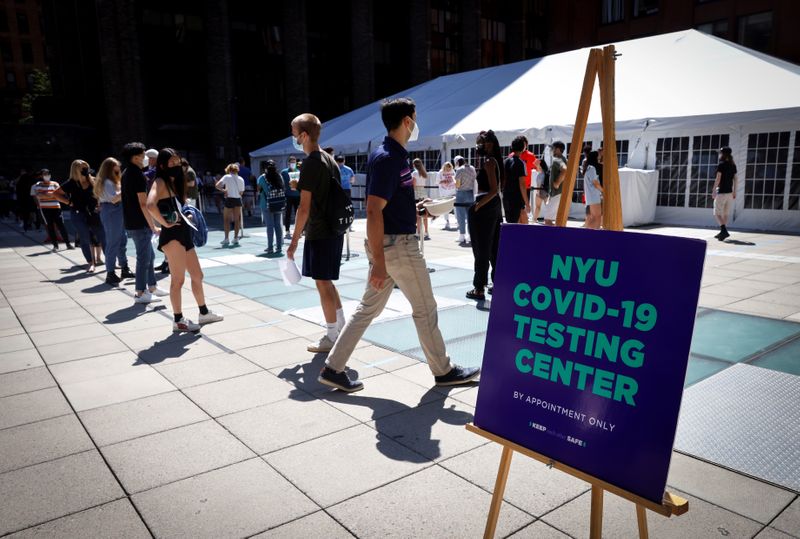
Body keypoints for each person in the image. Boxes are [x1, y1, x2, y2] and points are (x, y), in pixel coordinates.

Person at [317, 97, 480, 392]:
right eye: (415, 118)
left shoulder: (391, 154)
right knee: (425, 308)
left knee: (368, 309)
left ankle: (333, 368)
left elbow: (386, 204)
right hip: (398, 247)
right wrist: (379, 262)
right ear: (407, 121)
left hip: (390, 244)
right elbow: (373, 209)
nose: (417, 124)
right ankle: (443, 371)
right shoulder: (389, 157)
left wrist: (417, 206)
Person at [286, 113, 346, 353]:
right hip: (333, 228)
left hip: (320, 230)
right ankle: (340, 325)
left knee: (322, 282)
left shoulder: (311, 161)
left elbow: (304, 207)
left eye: (293, 132)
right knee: (327, 280)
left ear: (304, 135)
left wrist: (293, 242)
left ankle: (331, 334)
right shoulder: (328, 159)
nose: (292, 137)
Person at [146, 148, 223, 332]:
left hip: (184, 234)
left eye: (177, 162)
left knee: (197, 275)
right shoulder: (160, 181)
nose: (175, 165)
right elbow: (149, 204)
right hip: (172, 236)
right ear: (163, 165)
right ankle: (178, 319)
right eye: (171, 163)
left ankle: (203, 313)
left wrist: (185, 212)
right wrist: (165, 223)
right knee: (178, 280)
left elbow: (178, 206)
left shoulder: (174, 182)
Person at [121, 142, 169, 303]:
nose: (145, 158)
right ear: (135, 157)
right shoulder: (137, 174)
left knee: (149, 255)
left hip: (133, 221)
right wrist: (152, 225)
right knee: (144, 258)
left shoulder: (128, 172)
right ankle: (140, 292)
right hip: (139, 222)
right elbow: (143, 203)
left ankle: (152, 287)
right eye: (143, 155)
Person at [466, 130, 503, 300]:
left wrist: (478, 206)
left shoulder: (489, 162)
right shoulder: (496, 161)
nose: (478, 145)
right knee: (494, 247)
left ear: (489, 144)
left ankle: (479, 287)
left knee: (481, 249)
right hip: (494, 207)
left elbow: (494, 190)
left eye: (481, 142)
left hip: (486, 205)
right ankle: (496, 283)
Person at [54, 160, 105, 272]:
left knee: (102, 236)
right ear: (76, 170)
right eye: (83, 168)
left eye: (86, 167)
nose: (85, 170)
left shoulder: (93, 180)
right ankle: (91, 263)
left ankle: (110, 263)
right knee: (84, 237)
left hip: (94, 213)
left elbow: (101, 193)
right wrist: (69, 202)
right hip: (78, 213)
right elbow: (56, 194)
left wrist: (100, 205)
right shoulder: (71, 183)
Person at [96, 157, 134, 284]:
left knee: (122, 240)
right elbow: (113, 199)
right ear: (110, 168)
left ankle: (124, 268)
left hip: (116, 211)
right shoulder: (106, 182)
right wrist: (126, 188)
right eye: (116, 165)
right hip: (112, 210)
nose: (119, 167)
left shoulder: (112, 180)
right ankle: (110, 272)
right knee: (113, 242)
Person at [32, 168, 74, 252]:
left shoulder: (55, 184)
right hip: (45, 209)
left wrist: (47, 194)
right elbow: (39, 196)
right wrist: (53, 194)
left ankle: (68, 244)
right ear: (41, 175)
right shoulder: (38, 184)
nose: (47, 175)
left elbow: (60, 194)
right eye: (45, 174)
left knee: (61, 226)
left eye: (48, 173)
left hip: (56, 208)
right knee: (50, 227)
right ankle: (55, 245)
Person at [257, 160, 286, 254]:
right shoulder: (279, 176)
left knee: (270, 226)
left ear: (265, 168)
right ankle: (279, 247)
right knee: (278, 225)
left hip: (266, 204)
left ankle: (270, 247)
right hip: (278, 203)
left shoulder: (262, 178)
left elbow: (258, 190)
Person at [216, 163, 245, 246]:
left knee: (226, 220)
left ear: (229, 170)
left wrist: (224, 190)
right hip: (238, 199)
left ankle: (226, 238)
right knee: (237, 220)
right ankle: (236, 238)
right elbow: (241, 192)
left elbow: (217, 185)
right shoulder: (241, 179)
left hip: (229, 199)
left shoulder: (226, 177)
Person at [503, 136, 530, 225]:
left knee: (511, 223)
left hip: (506, 196)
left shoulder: (505, 161)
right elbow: (522, 185)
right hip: (517, 199)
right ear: (523, 147)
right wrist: (527, 203)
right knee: (519, 225)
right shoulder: (520, 163)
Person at [712, 146, 737, 241]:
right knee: (725, 213)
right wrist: (734, 192)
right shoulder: (733, 165)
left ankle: (724, 230)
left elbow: (718, 179)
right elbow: (736, 179)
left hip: (721, 192)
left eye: (720, 153)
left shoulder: (721, 165)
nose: (719, 154)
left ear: (723, 154)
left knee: (716, 213)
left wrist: (714, 190)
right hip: (730, 194)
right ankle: (722, 233)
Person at [454, 155, 476, 246]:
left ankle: (462, 235)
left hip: (461, 194)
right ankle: (470, 235)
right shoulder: (472, 168)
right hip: (470, 193)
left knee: (460, 216)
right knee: (470, 216)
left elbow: (458, 185)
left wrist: (454, 183)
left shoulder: (459, 170)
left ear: (458, 163)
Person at [544, 141, 567, 226]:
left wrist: (557, 183)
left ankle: (551, 238)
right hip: (561, 193)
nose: (551, 150)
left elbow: (564, 170)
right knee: (559, 221)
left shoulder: (557, 160)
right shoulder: (565, 159)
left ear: (557, 149)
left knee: (547, 220)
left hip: (556, 194)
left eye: (552, 148)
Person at [583, 151, 604, 229]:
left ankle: (589, 232)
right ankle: (594, 233)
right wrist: (603, 191)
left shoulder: (588, 168)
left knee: (593, 217)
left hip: (591, 196)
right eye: (598, 156)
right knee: (597, 217)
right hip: (593, 196)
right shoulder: (592, 168)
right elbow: (595, 183)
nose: (599, 157)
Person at [281, 156, 301, 239]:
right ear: (288, 163)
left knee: (298, 214)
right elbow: (281, 183)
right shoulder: (284, 172)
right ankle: (287, 230)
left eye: (294, 162)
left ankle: (298, 231)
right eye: (292, 162)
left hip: (297, 195)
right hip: (288, 195)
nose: (293, 164)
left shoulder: (298, 171)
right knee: (288, 213)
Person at [411, 158, 430, 240]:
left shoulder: (414, 173)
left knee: (417, 214)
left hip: (417, 193)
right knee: (424, 213)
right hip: (423, 192)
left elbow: (413, 185)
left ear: (414, 165)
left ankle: (418, 232)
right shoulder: (424, 173)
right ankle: (426, 231)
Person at [437, 161, 457, 229]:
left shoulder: (453, 171)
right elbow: (437, 182)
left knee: (455, 206)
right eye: (447, 169)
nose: (448, 170)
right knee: (445, 207)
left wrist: (453, 182)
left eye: (450, 168)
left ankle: (457, 220)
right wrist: (444, 181)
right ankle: (447, 221)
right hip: (444, 191)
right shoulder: (440, 172)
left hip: (452, 191)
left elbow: (455, 180)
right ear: (444, 167)